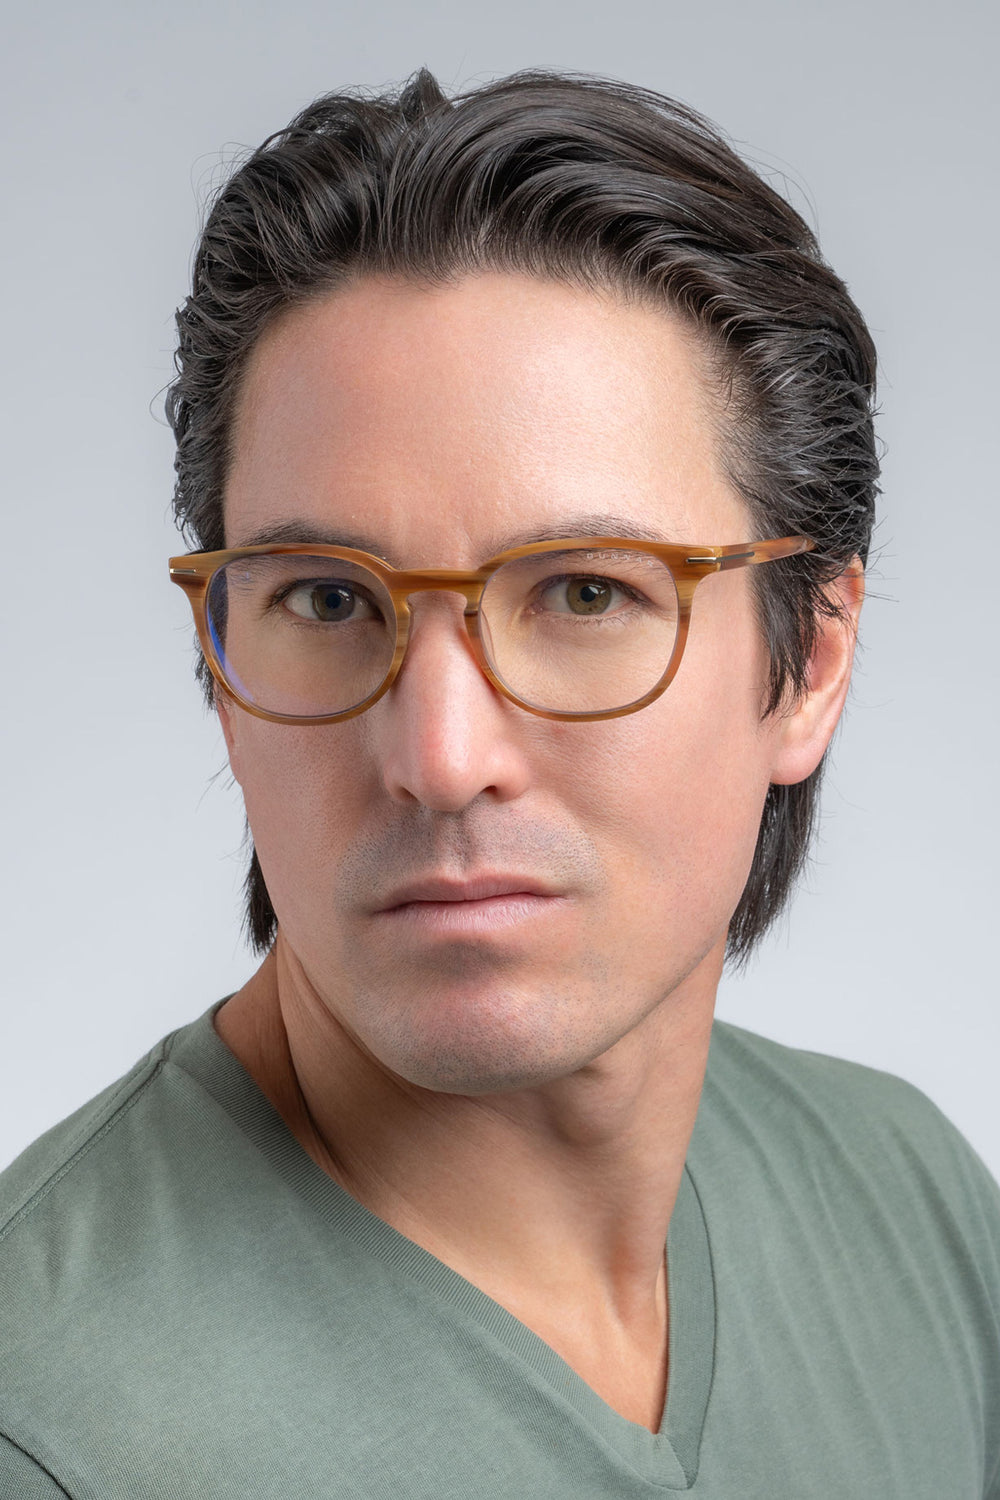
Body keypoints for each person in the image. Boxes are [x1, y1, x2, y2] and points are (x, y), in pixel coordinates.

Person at [1, 67, 997, 1498]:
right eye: (328, 601)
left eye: (587, 592)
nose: (440, 757)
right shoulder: (47, 1425)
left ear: (812, 663)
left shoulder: (914, 1208)